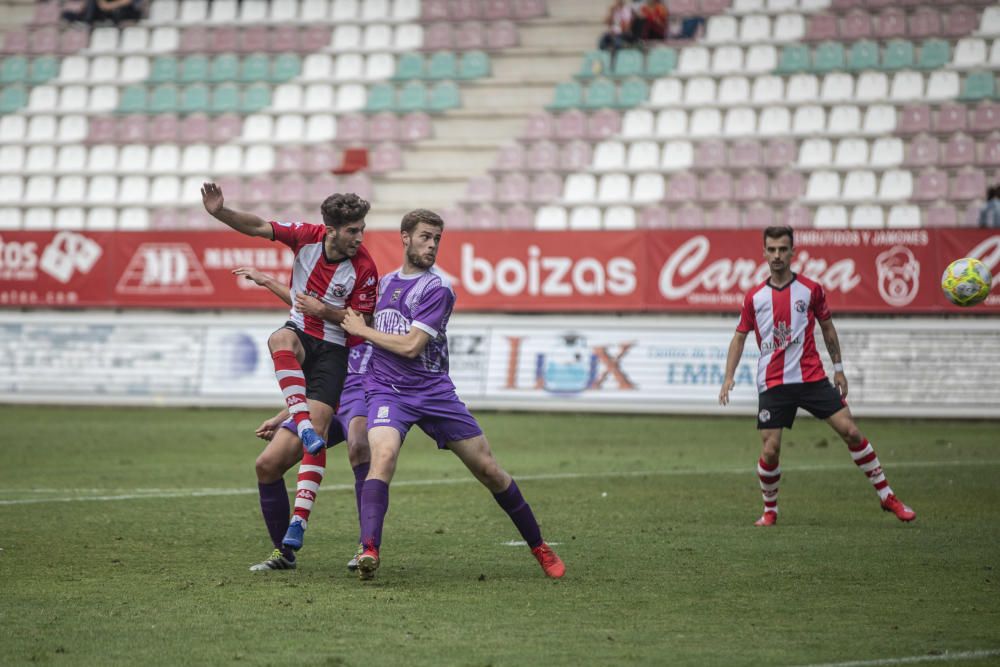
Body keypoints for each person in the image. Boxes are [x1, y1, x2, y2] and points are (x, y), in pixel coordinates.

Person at [340, 209, 566, 580]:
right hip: (387, 391)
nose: (432, 245)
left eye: (437, 240)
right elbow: (351, 319)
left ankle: (539, 546)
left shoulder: (437, 289)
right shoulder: (382, 284)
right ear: (405, 237)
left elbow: (412, 345)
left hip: (433, 391)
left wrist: (363, 331)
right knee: (382, 454)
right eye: (425, 237)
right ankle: (369, 549)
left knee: (489, 470)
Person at [718, 226, 916, 527]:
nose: (777, 256)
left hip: (812, 377)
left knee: (850, 430)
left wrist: (838, 368)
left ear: (792, 251)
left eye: (783, 249)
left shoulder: (811, 289)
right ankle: (770, 510)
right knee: (770, 450)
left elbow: (827, 328)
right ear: (763, 252)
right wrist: (728, 377)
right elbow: (739, 337)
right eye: (771, 250)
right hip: (773, 382)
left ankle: (887, 496)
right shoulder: (754, 298)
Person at [232, 267, 374, 572]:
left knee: (360, 446)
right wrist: (282, 415)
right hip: (321, 398)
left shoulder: (366, 313)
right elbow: (301, 306)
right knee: (267, 464)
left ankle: (368, 547)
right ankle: (284, 553)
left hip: (358, 395)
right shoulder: (318, 321)